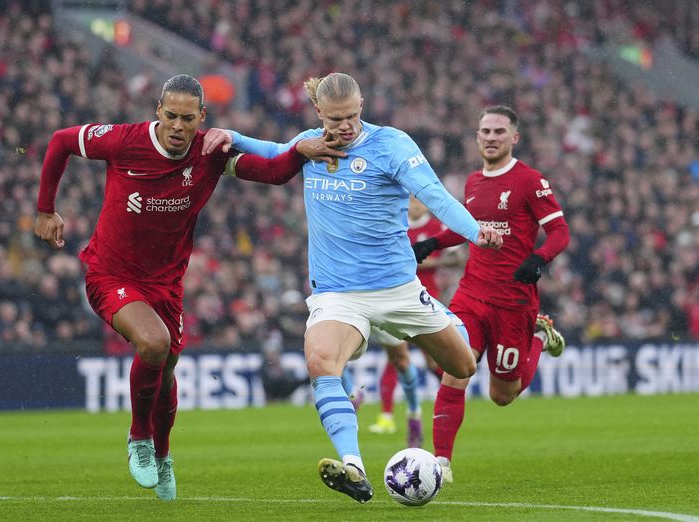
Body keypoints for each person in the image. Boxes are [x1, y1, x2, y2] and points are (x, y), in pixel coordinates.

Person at [34, 74, 344, 501]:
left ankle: (163, 456)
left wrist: (301, 151)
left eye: (188, 119)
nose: (179, 127)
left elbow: (272, 173)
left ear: (202, 117)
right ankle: (138, 438)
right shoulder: (124, 141)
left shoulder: (210, 152)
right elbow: (60, 140)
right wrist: (46, 209)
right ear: (158, 111)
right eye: (171, 116)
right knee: (154, 344)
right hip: (111, 274)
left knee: (166, 375)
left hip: (167, 285)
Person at [202, 72, 503, 503]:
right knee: (321, 360)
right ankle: (354, 468)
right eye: (335, 119)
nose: (344, 127)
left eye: (351, 117)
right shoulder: (311, 144)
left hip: (398, 289)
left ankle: (446, 318)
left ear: (362, 105)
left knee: (464, 364)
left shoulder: (392, 145)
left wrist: (476, 232)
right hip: (338, 294)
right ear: (319, 112)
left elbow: (434, 195)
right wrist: (230, 134)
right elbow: (272, 152)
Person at [412, 105, 570, 484]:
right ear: (477, 137)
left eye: (499, 131)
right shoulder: (472, 182)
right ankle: (441, 464)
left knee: (503, 395)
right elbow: (466, 228)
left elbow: (561, 232)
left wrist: (538, 259)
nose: (491, 137)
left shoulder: (530, 181)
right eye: (485, 131)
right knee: (455, 371)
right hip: (471, 294)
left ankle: (536, 339)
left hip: (514, 302)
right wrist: (433, 242)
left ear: (514, 137)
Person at [367, 196, 465, 448]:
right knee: (397, 359)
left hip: (427, 301)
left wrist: (430, 260)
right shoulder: (395, 223)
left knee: (434, 360)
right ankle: (389, 414)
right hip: (397, 301)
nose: (415, 204)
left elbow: (459, 258)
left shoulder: (436, 229)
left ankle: (452, 394)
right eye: (410, 199)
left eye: (419, 199)